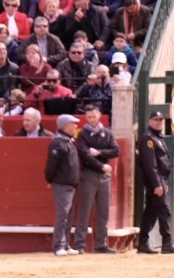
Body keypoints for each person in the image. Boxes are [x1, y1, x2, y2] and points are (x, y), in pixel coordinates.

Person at [73, 103, 120, 254]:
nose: (92, 120)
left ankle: (101, 244)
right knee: (85, 210)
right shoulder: (83, 134)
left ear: (99, 115)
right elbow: (85, 155)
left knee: (103, 211)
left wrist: (98, 153)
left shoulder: (107, 133)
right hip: (90, 174)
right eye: (89, 117)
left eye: (94, 116)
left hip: (104, 175)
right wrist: (101, 166)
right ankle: (80, 244)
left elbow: (115, 151)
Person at [136, 110, 174, 254]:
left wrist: (162, 182)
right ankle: (167, 243)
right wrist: (157, 184)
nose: (158, 122)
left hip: (159, 179)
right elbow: (150, 165)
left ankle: (143, 242)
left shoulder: (157, 138)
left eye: (160, 120)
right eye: (155, 120)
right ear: (150, 122)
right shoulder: (149, 139)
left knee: (151, 211)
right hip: (155, 180)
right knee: (164, 211)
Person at [46, 114, 82, 256]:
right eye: (73, 124)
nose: (75, 127)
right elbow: (51, 166)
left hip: (71, 184)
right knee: (63, 215)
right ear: (66, 126)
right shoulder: (58, 143)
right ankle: (59, 245)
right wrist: (50, 180)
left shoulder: (67, 142)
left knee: (69, 215)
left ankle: (65, 244)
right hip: (62, 184)